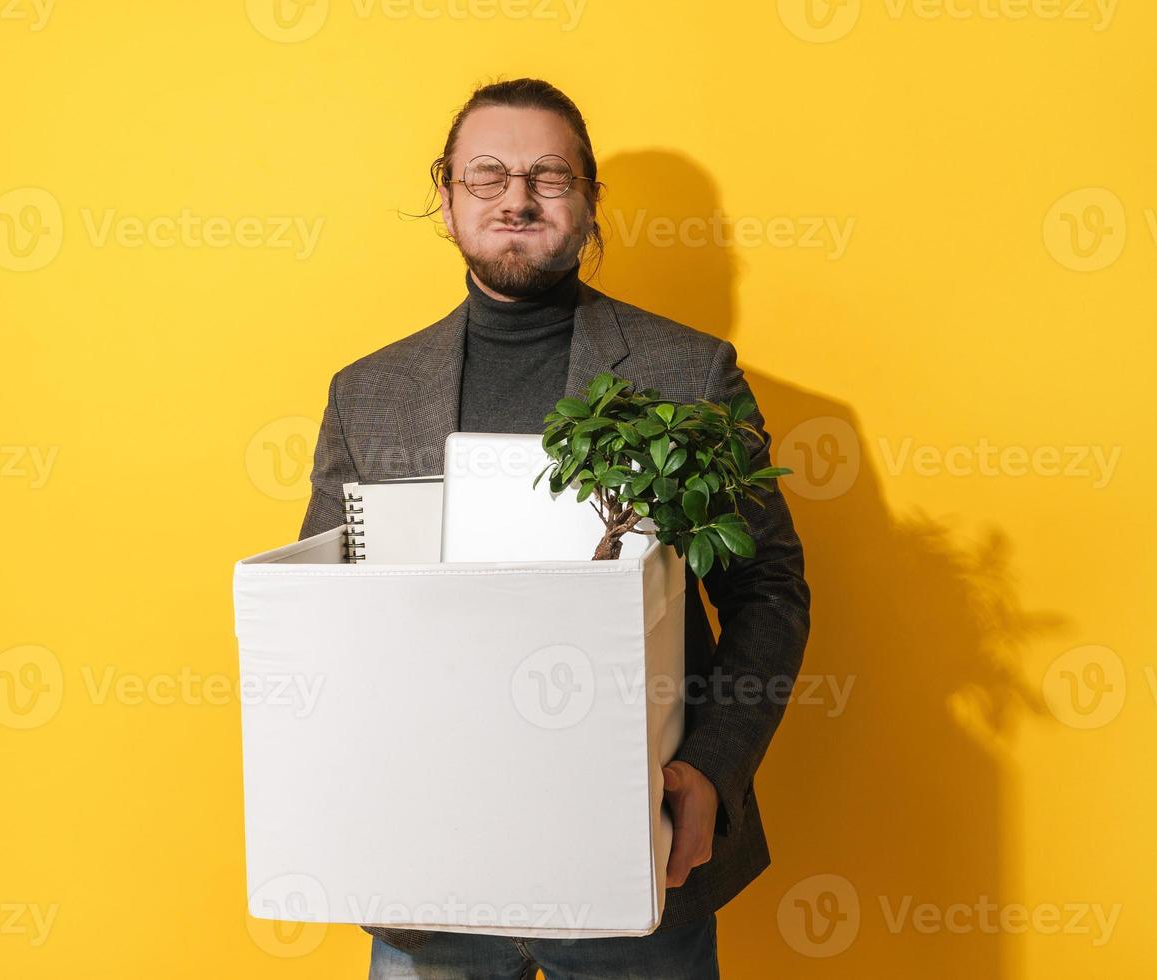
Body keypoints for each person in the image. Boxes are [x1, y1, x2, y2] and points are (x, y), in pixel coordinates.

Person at [298, 76, 811, 980]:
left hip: (638, 854)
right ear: (446, 198)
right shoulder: (367, 393)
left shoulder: (690, 373)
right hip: (425, 858)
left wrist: (710, 769)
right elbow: (327, 615)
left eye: (549, 175)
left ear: (589, 201)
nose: (518, 199)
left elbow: (767, 591)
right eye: (486, 175)